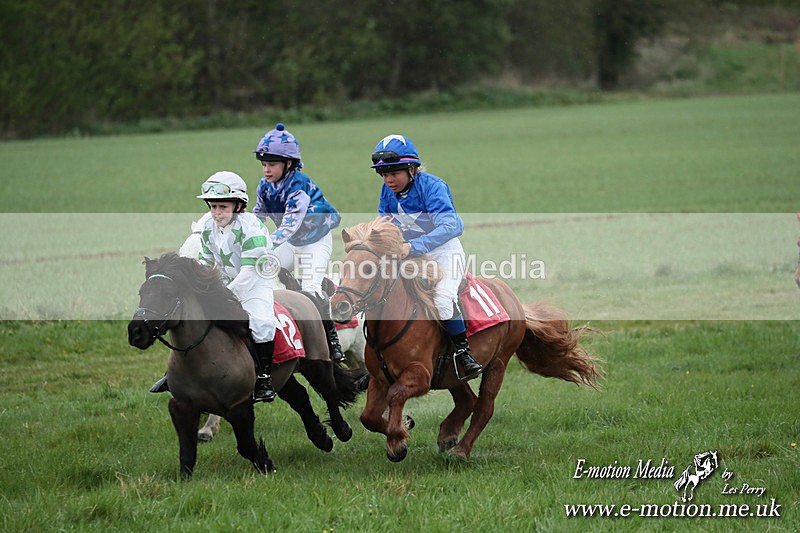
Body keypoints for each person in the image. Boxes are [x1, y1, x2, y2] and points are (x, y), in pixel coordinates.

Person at [150, 171, 280, 402]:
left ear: (238, 206)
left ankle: (264, 379)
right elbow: (205, 264)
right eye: (213, 206)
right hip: (225, 284)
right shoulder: (209, 227)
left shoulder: (252, 227)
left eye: (223, 207)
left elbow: (249, 272)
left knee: (262, 323)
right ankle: (173, 374)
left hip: (255, 285)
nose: (217, 212)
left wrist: (224, 296)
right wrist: (201, 290)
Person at [370, 134, 482, 379]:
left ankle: (463, 352)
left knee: (442, 300)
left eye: (394, 173)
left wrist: (412, 247)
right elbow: (385, 223)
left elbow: (452, 226)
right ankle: (379, 359)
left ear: (412, 169)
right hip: (409, 252)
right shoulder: (387, 191)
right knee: (379, 290)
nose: (388, 180)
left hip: (443, 251)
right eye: (383, 175)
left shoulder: (432, 186)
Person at [252, 123, 344, 362]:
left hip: (316, 241)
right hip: (292, 242)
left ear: (289, 163)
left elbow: (289, 225)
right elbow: (258, 217)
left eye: (272, 164)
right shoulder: (263, 186)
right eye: (264, 164)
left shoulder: (298, 186)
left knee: (311, 288)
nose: (266, 169)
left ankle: (331, 338)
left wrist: (265, 244)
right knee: (262, 271)